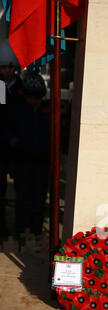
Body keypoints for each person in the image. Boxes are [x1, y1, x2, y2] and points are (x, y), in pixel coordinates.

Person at [5, 71, 50, 236]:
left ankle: (36, 230)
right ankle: (20, 230)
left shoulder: (47, 110)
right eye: (31, 96)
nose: (34, 100)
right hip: (21, 159)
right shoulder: (17, 109)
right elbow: (7, 129)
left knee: (39, 197)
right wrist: (15, 142)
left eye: (37, 97)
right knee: (23, 196)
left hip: (42, 160)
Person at [0, 39, 24, 236]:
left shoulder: (22, 88)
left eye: (9, 67)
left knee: (21, 189)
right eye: (3, 67)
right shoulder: (0, 87)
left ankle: (20, 229)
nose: (6, 71)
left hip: (18, 144)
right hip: (2, 142)